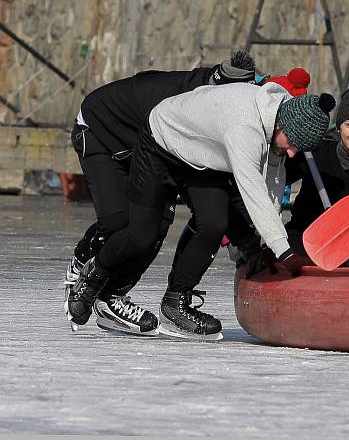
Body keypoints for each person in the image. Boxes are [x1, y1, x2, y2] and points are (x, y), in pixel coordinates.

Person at [66, 82, 335, 340]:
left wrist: (263, 245)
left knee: (214, 224)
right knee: (142, 234)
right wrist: (284, 251)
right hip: (161, 140)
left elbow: (273, 183)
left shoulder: (282, 116)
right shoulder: (246, 129)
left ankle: (175, 302)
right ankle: (94, 273)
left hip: (201, 156)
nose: (291, 153)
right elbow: (253, 191)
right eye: (292, 144)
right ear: (281, 124)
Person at [64, 51, 257, 335]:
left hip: (153, 146)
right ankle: (83, 261)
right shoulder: (186, 104)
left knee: (156, 225)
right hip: (101, 133)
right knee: (121, 221)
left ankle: (112, 298)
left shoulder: (222, 108)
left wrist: (245, 236)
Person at [283, 73, 349, 267]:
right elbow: (275, 178)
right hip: (301, 243)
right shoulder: (314, 152)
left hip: (343, 251)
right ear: (339, 127)